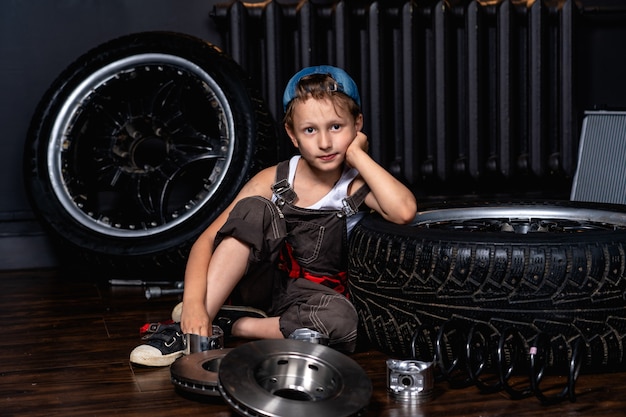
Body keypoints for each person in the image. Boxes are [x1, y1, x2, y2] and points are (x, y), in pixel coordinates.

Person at [130, 65, 417, 366]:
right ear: (292, 135)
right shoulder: (274, 179)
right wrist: (192, 305)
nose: (324, 142)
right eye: (310, 130)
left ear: (357, 125)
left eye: (336, 127)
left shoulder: (355, 184)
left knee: (344, 321)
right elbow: (206, 242)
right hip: (260, 285)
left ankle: (232, 325)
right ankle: (186, 332)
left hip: (312, 301)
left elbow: (405, 211)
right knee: (256, 208)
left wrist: (358, 155)